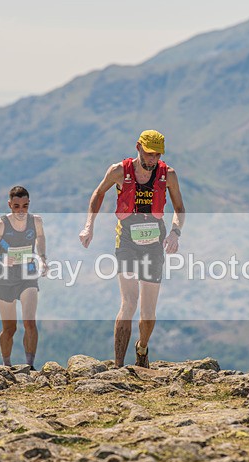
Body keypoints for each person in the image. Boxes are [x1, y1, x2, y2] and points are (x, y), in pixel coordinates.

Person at [79, 130, 185, 368]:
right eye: (149, 153)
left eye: (157, 154)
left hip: (154, 243)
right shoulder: (118, 171)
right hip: (126, 240)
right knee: (128, 302)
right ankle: (118, 366)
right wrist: (89, 226)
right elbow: (98, 193)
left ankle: (142, 349)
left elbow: (180, 208)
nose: (153, 159)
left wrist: (175, 233)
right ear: (138, 147)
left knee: (148, 311)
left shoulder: (168, 175)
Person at [0, 186, 47, 369]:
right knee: (10, 328)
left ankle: (29, 366)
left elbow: (40, 237)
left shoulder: (36, 221)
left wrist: (43, 258)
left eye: (24, 206)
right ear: (9, 205)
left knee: (29, 322)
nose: (21, 211)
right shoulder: (0, 224)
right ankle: (6, 365)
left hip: (28, 275)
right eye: (16, 206)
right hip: (5, 278)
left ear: (29, 204)